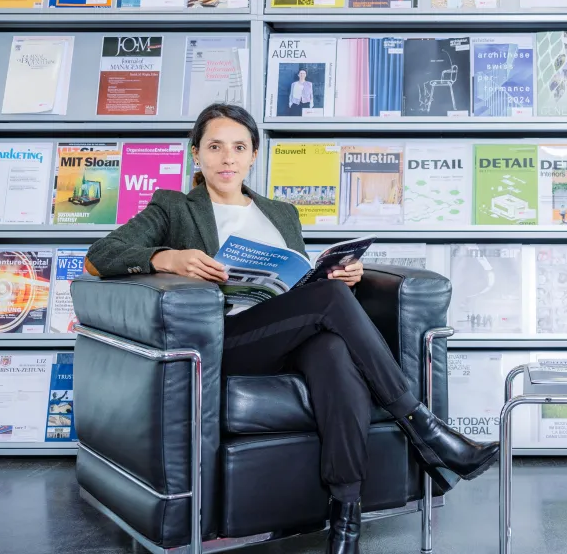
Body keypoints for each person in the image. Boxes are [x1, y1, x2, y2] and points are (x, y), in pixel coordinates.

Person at [84, 104, 498, 554]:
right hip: (227, 342)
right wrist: (166, 258)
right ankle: (426, 428)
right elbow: (100, 254)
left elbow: (299, 283)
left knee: (335, 354)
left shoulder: (281, 213)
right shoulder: (174, 207)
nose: (227, 158)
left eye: (239, 148)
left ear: (254, 155)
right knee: (328, 309)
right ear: (196, 155)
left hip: (287, 331)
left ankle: (346, 523)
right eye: (215, 147)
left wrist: (336, 280)